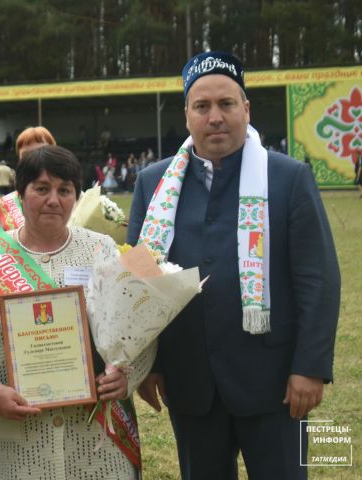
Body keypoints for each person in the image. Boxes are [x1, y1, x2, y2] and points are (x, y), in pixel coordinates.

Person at [127, 51, 340, 480]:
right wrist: (151, 366)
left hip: (276, 384)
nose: (215, 117)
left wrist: (310, 367)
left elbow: (318, 279)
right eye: (202, 106)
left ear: (246, 109)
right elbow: (138, 282)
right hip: (191, 386)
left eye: (226, 104)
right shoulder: (154, 182)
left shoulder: (289, 177)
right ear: (186, 115)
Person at [0, 145, 154, 480]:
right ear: (20, 194)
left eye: (65, 190)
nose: (53, 200)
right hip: (20, 449)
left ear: (76, 195)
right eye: (41, 189)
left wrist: (128, 376)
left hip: (98, 447)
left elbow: (141, 329)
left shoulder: (102, 250)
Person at [0, 126, 56, 230]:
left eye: (42, 152)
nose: (34, 160)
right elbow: (1, 243)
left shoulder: (76, 199)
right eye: (27, 155)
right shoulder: (6, 207)